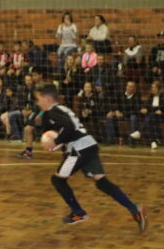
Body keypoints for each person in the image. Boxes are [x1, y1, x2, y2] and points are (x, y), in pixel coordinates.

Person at [35, 83, 147, 230]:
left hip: (79, 148)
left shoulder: (53, 111)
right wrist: (58, 142)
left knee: (57, 180)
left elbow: (69, 128)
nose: (37, 102)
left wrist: (55, 141)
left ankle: (78, 212)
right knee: (101, 181)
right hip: (89, 145)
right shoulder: (61, 109)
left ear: (47, 98)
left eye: (38, 99)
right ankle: (134, 209)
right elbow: (66, 129)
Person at [130, 80, 164, 150]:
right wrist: (145, 109)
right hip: (153, 116)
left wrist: (150, 109)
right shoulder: (151, 96)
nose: (152, 89)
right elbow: (147, 106)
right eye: (152, 88)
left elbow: (163, 107)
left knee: (150, 116)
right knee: (151, 119)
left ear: (158, 89)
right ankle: (153, 141)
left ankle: (139, 132)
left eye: (154, 88)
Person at [105, 81, 141, 146]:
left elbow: (135, 110)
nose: (128, 88)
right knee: (109, 117)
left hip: (130, 115)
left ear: (134, 88)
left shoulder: (137, 96)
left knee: (133, 118)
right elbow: (113, 103)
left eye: (131, 86)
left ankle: (131, 140)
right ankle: (110, 139)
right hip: (120, 113)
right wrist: (114, 111)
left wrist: (123, 114)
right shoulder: (120, 94)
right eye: (128, 86)